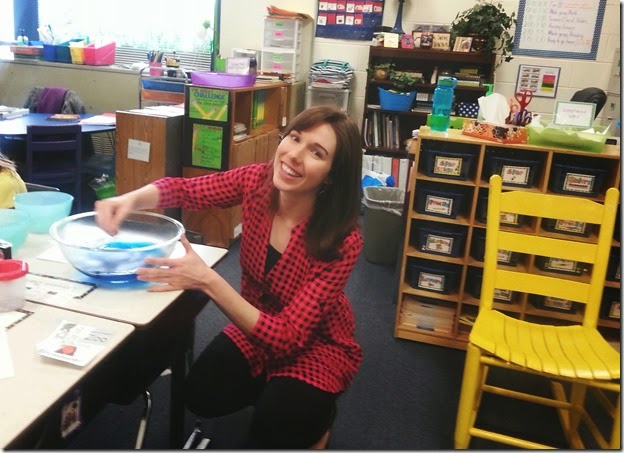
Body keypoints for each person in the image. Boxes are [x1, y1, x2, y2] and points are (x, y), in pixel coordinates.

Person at [94, 106, 364, 448]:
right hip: (254, 323)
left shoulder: (343, 240)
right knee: (202, 396)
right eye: (295, 138)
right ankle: (279, 394)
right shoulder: (256, 182)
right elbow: (187, 190)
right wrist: (131, 199)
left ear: (331, 175)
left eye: (316, 152)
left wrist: (207, 279)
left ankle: (316, 416)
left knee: (274, 428)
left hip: (316, 345)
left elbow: (288, 337)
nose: (295, 155)